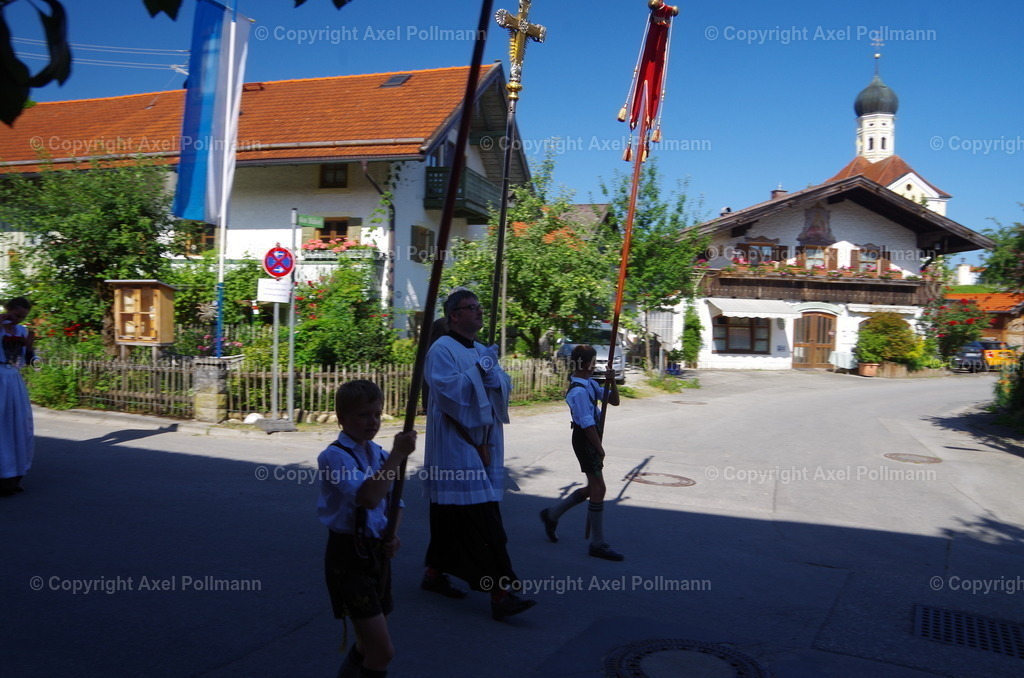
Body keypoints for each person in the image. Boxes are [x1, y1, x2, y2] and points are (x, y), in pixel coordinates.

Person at [420, 288, 536, 620]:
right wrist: (478, 374)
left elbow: (501, 388)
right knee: (484, 522)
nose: (479, 312)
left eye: (480, 307)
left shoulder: (483, 349)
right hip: (456, 445)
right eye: (471, 308)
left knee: (449, 515)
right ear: (453, 315)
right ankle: (500, 594)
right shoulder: (440, 350)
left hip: (480, 442)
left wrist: (493, 375)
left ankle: (433, 573)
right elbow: (447, 394)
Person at [318, 379, 417, 678]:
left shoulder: (378, 453)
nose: (372, 421)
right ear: (342, 418)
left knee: (367, 645)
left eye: (377, 414)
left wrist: (393, 534)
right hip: (348, 558)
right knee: (382, 651)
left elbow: (394, 504)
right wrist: (399, 456)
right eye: (363, 415)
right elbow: (368, 498)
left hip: (376, 554)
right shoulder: (334, 456)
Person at [539, 343, 624, 560]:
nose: (596, 365)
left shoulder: (589, 384)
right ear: (587, 364)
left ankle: (552, 514)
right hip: (585, 439)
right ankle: (597, 543)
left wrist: (611, 380)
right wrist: (599, 448)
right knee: (599, 488)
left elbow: (613, 401)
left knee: (594, 488)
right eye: (594, 362)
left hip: (590, 437)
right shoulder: (577, 391)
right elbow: (586, 424)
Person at [1, 297, 35, 497]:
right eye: (16, 315)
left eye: (22, 317)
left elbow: (32, 363)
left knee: (19, 425)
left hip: (13, 379)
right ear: (7, 309)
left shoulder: (22, 331)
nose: (18, 320)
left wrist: (30, 348)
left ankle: (14, 475)